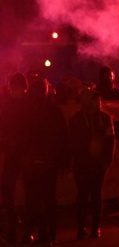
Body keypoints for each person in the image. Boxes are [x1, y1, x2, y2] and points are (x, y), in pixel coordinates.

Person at [21, 77, 69, 246]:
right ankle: (48, 233)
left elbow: (60, 138)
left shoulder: (29, 111)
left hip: (38, 163)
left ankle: (39, 231)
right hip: (45, 163)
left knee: (35, 199)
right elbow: (62, 138)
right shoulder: (52, 111)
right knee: (46, 200)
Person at [69, 89, 116, 240]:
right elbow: (72, 143)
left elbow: (111, 140)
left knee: (96, 195)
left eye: (99, 100)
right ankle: (81, 228)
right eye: (94, 100)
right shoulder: (76, 119)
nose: (98, 102)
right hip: (82, 163)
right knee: (82, 196)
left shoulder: (105, 118)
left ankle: (96, 227)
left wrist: (106, 161)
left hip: (98, 164)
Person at [0, 73, 28, 244]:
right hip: (15, 154)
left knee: (27, 192)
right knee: (8, 190)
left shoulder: (29, 107)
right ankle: (14, 224)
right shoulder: (8, 106)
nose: (14, 91)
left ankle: (23, 226)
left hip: (24, 154)